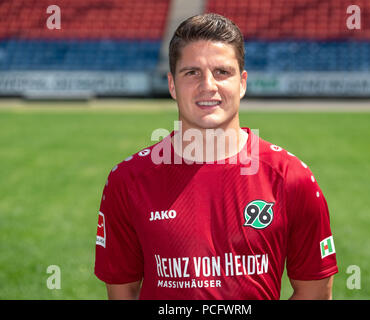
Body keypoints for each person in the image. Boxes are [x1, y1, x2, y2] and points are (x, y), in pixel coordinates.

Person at [94, 13, 338, 300]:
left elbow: (315, 291)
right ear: (172, 85)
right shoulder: (128, 180)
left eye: (222, 72)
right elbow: (123, 292)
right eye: (192, 72)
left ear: (242, 83)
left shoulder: (292, 178)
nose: (208, 85)